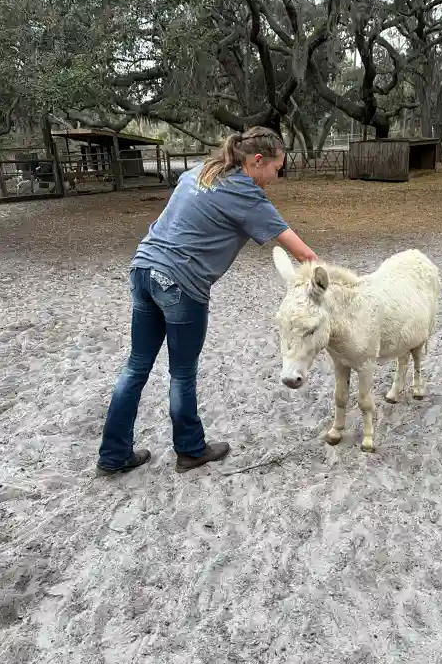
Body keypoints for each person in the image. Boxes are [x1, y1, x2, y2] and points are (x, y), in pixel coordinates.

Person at [96, 127, 317, 476]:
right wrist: (331, 286)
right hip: (180, 283)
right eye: (276, 169)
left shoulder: (200, 171)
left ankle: (113, 454)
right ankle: (190, 450)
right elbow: (303, 253)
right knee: (181, 373)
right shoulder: (248, 195)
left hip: (142, 269)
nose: (276, 177)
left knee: (136, 366)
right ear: (258, 161)